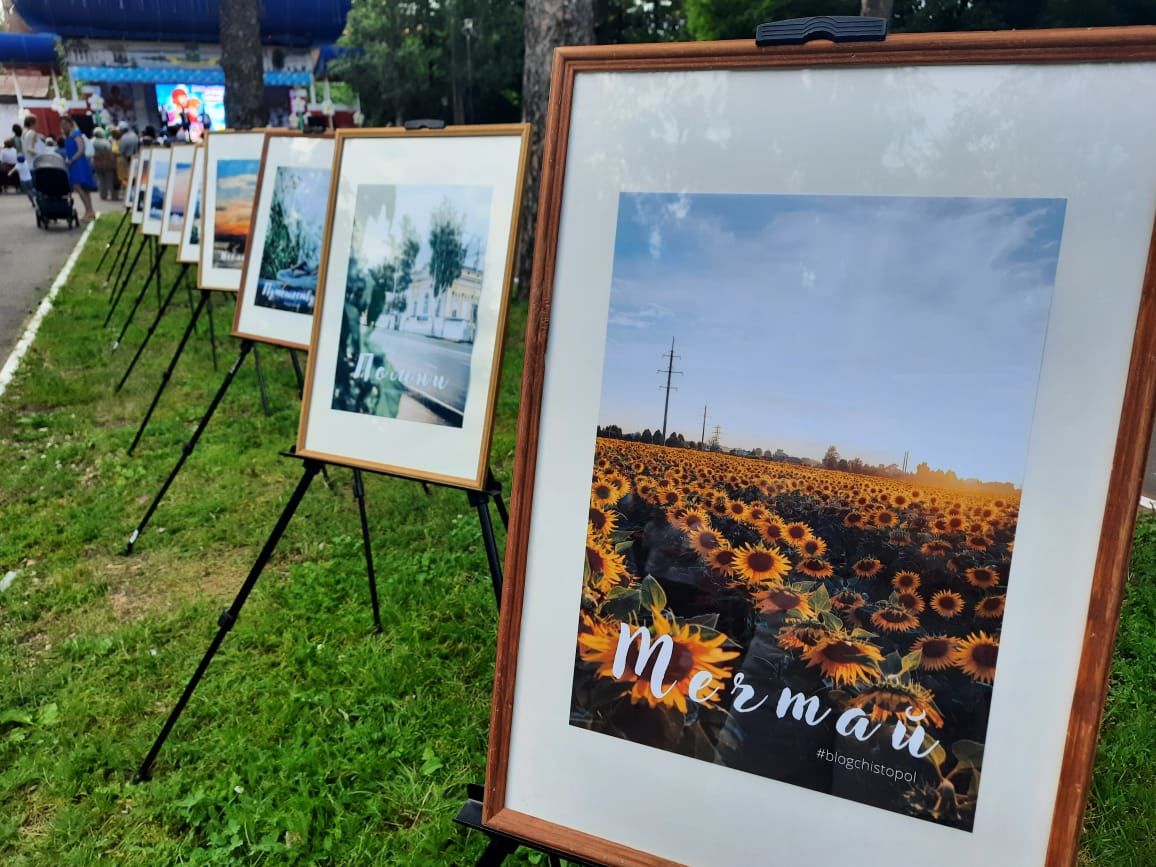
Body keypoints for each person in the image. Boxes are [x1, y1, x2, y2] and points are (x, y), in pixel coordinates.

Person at [59, 116, 96, 220]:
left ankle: (89, 210)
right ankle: (89, 211)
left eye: (65, 123)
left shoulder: (75, 133)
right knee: (83, 188)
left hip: (78, 163)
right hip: (74, 163)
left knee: (79, 187)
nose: (63, 125)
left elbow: (81, 149)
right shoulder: (67, 136)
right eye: (62, 124)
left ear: (70, 123)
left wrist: (72, 159)